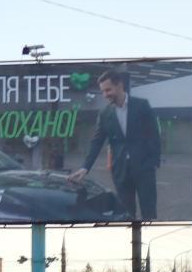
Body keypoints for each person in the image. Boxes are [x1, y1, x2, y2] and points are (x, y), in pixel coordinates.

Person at [68, 70, 161, 220]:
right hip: (120, 172)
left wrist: (153, 162)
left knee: (149, 213)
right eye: (103, 91)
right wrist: (85, 168)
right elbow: (97, 142)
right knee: (126, 215)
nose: (105, 95)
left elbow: (154, 135)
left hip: (144, 169)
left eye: (108, 90)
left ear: (120, 85)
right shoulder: (105, 113)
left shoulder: (142, 105)